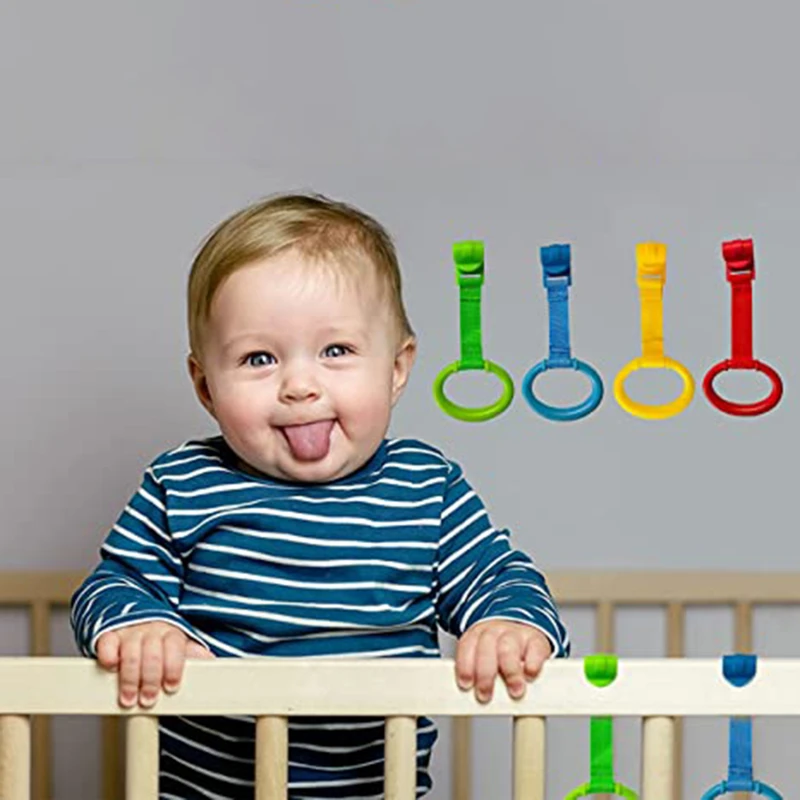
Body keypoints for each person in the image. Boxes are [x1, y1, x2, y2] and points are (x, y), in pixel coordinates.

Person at [70, 192, 570, 799]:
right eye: (259, 358)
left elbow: (499, 576)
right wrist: (142, 625)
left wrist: (507, 622)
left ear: (397, 367)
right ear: (205, 385)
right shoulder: (184, 482)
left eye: (336, 351)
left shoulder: (425, 487)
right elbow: (113, 584)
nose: (300, 386)